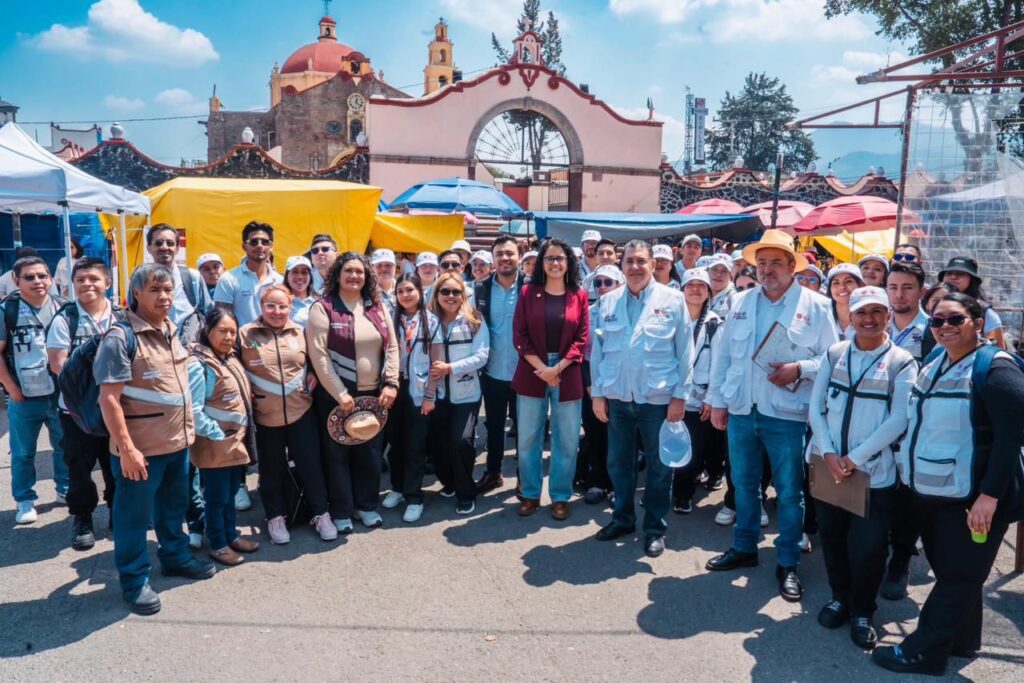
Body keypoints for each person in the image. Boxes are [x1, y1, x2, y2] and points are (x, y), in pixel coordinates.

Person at [873, 292, 1024, 675]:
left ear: (977, 321)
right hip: (939, 492)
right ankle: (962, 640)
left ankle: (924, 651)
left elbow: (1011, 437)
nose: (944, 328)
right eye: (937, 320)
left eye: (955, 319)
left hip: (975, 497)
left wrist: (989, 497)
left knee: (960, 575)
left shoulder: (996, 369)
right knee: (953, 571)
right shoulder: (938, 359)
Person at [706, 229, 839, 602]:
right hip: (742, 409)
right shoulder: (742, 302)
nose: (767, 270)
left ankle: (788, 560)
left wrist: (800, 368)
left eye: (775, 263)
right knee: (744, 485)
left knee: (789, 491)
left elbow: (832, 358)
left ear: (792, 266)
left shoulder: (815, 305)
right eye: (761, 263)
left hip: (787, 414)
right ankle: (745, 547)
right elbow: (724, 357)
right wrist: (718, 401)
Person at [95, 264, 215, 615]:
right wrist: (128, 449)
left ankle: (175, 557)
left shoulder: (168, 328)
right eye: (155, 291)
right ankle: (134, 582)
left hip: (176, 443)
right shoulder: (121, 338)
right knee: (133, 518)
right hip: (140, 451)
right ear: (136, 294)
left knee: (172, 509)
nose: (164, 297)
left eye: (168, 291)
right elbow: (109, 399)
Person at [808, 286, 917, 650]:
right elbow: (816, 408)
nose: (868, 319)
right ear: (850, 316)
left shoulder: (902, 361)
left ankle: (862, 611)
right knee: (834, 541)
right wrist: (827, 453)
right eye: (861, 313)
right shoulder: (835, 353)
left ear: (888, 316)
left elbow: (899, 419)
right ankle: (840, 597)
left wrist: (852, 459)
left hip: (873, 476)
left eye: (876, 312)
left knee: (869, 548)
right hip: (829, 468)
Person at [590, 240, 693, 558]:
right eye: (629, 261)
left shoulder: (673, 300)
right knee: (619, 464)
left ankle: (654, 528)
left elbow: (685, 353)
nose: (635, 267)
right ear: (621, 266)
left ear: (653, 264)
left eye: (641, 261)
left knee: (660, 468)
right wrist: (597, 393)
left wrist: (680, 398)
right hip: (618, 398)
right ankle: (622, 519)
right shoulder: (608, 303)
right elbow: (598, 354)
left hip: (658, 401)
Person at [307, 253, 399, 531]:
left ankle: (366, 506)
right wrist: (339, 393)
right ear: (337, 274)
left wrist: (392, 382)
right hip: (337, 394)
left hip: (374, 393)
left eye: (360, 271)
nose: (355, 276)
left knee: (370, 454)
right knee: (337, 455)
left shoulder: (376, 306)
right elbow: (319, 356)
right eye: (348, 271)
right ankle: (342, 510)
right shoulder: (322, 308)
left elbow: (392, 347)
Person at [241, 286, 334, 543]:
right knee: (271, 469)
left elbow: (315, 362)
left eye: (282, 306)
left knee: (310, 465)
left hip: (300, 411)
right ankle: (276, 517)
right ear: (261, 306)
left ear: (290, 307)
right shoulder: (245, 334)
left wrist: (314, 374)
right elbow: (235, 366)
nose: (277, 311)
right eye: (271, 305)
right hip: (265, 415)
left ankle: (320, 513)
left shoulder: (300, 332)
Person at [512, 238, 589, 520]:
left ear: (568, 263)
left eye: (560, 258)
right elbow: (519, 336)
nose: (555, 263)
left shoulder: (578, 294)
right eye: (549, 258)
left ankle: (560, 496)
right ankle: (530, 494)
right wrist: (544, 369)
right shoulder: (527, 292)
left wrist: (556, 369)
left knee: (567, 439)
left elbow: (582, 338)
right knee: (529, 438)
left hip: (567, 372)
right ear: (541, 263)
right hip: (533, 370)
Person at [46, 258, 121, 549]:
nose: (87, 284)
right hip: (76, 410)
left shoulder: (121, 316)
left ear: (107, 283)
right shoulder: (65, 319)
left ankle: (118, 511)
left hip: (115, 407)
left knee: (116, 463)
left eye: (94, 279)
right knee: (79, 467)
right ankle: (82, 517)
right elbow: (58, 366)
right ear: (73, 284)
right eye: (81, 280)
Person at [188, 309, 260, 566]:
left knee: (229, 492)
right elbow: (194, 411)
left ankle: (230, 535)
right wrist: (217, 435)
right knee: (216, 497)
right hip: (215, 443)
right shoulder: (200, 364)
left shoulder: (228, 357)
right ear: (208, 330)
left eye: (232, 331)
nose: (229, 337)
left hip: (233, 442)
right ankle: (218, 544)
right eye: (222, 331)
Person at [0, 256, 67, 525]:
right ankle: (25, 498)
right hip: (24, 396)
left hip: (59, 394)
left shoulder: (63, 308)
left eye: (42, 275)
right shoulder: (7, 311)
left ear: (50, 278)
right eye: (29, 277)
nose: (38, 281)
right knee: (23, 452)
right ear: (17, 280)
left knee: (64, 446)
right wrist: (11, 389)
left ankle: (64, 487)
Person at [427, 272, 490, 514]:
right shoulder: (428, 320)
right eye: (445, 292)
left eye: (456, 292)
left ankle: (466, 492)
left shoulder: (474, 319)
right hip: (437, 393)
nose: (451, 296)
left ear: (463, 295)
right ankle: (449, 482)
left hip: (466, 393)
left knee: (461, 440)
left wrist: (450, 368)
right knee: (440, 443)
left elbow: (482, 356)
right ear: (437, 294)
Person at [383, 274, 439, 523]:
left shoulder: (432, 321)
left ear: (419, 291)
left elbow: (436, 363)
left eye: (410, 290)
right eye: (400, 291)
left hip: (419, 388)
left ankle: (414, 496)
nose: (405, 295)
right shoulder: (390, 320)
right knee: (395, 443)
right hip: (395, 386)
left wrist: (430, 395)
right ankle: (397, 487)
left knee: (415, 445)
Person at [473, 235, 522, 494]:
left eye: (510, 253)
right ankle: (494, 472)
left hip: (526, 371)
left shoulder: (530, 287)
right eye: (500, 253)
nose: (505, 258)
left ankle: (525, 477)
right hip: (492, 371)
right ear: (493, 259)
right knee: (493, 425)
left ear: (519, 256)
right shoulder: (480, 290)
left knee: (526, 428)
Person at [673, 268, 724, 513]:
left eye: (701, 286)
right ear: (681, 290)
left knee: (692, 450)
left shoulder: (715, 323)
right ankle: (664, 491)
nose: (695, 289)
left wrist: (712, 398)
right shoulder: (670, 317)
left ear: (708, 292)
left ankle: (683, 495)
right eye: (690, 285)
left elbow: (719, 364)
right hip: (669, 395)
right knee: (666, 445)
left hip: (699, 398)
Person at [214, 221, 283, 328]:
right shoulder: (228, 279)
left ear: (271, 246)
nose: (260, 246)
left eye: (265, 242)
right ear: (244, 246)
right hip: (241, 342)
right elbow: (222, 320)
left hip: (274, 342)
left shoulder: (280, 281)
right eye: (254, 242)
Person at [937, 256, 1006, 349]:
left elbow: (996, 350)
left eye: (960, 274)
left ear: (972, 280)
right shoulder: (933, 305)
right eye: (949, 273)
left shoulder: (985, 312)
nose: (953, 277)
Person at [886, 261, 928, 363]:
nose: (899, 295)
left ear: (922, 292)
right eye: (893, 287)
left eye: (908, 288)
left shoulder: (933, 329)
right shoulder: (877, 326)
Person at [826, 263, 864, 340]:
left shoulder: (870, 318)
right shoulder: (823, 316)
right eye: (836, 283)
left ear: (861, 285)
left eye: (848, 281)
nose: (842, 287)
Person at [283, 255, 317, 328]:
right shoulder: (279, 303)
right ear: (287, 276)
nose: (300, 276)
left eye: (304, 272)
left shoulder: (317, 303)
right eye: (295, 272)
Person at [371, 248, 398, 314]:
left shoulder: (403, 289)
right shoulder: (367, 291)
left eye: (388, 265)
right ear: (372, 267)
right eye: (379, 265)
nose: (383, 269)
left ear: (395, 266)